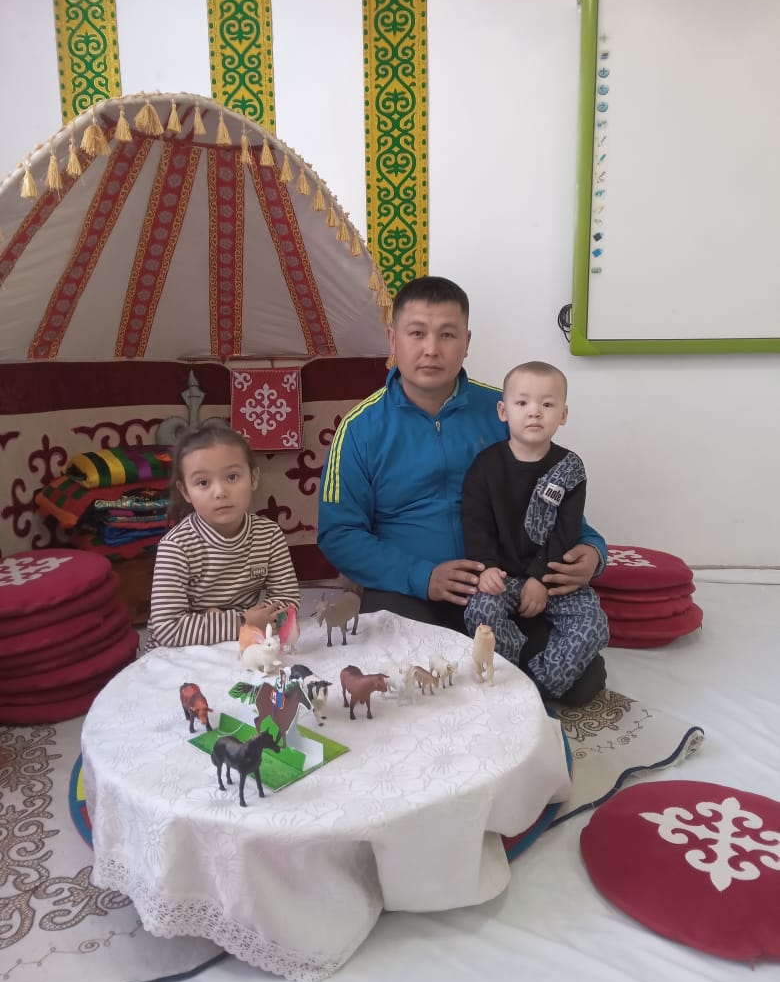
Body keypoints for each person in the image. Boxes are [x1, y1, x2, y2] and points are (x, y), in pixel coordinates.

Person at [317, 275, 607, 702]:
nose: (431, 349)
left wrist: (592, 548)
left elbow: (555, 495)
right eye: (417, 333)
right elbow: (339, 534)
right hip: (410, 593)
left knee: (584, 679)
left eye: (447, 334)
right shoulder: (360, 429)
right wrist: (423, 577)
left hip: (503, 588)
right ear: (393, 339)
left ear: (467, 342)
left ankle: (502, 678)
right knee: (412, 681)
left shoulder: (505, 410)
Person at [461, 361, 609, 701]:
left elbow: (567, 530)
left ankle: (541, 684)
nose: (535, 412)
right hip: (502, 578)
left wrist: (541, 578)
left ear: (563, 414)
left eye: (547, 404)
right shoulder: (485, 465)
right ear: (503, 411)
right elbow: (476, 521)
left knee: (594, 623)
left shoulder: (570, 468)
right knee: (481, 613)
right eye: (522, 402)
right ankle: (513, 673)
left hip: (553, 577)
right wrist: (486, 568)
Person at [145, 425, 300, 651]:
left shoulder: (269, 535)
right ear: (186, 491)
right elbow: (168, 629)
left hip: (241, 643)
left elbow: (288, 601)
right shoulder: (176, 546)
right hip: (178, 652)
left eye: (232, 477)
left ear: (253, 478)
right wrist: (242, 621)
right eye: (203, 483)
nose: (220, 492)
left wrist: (255, 620)